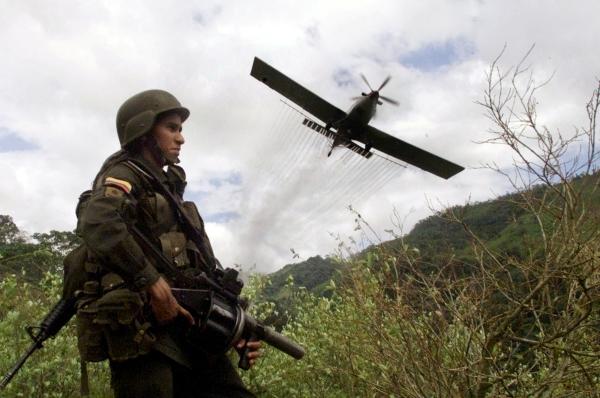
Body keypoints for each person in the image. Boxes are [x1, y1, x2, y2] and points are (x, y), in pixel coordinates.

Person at [75, 89, 260, 397]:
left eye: (181, 129)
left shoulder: (167, 189)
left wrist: (233, 329)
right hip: (144, 336)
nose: (181, 138)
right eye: (171, 128)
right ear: (145, 132)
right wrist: (150, 281)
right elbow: (98, 221)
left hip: (188, 331)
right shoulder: (123, 175)